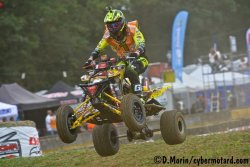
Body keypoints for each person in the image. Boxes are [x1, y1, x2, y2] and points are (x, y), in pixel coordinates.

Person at [84, 7, 149, 94]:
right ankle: (116, 95)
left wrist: (137, 52)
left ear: (122, 22)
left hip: (140, 59)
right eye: (110, 25)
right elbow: (98, 49)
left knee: (130, 69)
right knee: (111, 74)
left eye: (115, 25)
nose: (113, 28)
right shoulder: (107, 35)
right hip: (123, 60)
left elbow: (141, 43)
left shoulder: (132, 29)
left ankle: (139, 96)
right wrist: (90, 59)